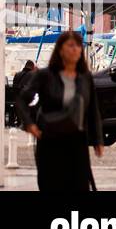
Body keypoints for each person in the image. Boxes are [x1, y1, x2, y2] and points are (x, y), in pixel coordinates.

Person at [16, 31, 104, 191]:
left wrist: (98, 139)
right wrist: (29, 124)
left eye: (78, 45)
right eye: (70, 45)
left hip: (76, 141)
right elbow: (22, 99)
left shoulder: (85, 78)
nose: (75, 49)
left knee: (79, 184)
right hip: (50, 138)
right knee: (52, 184)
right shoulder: (44, 75)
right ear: (60, 50)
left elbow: (92, 109)